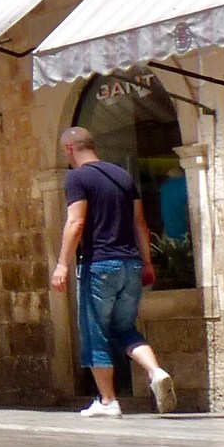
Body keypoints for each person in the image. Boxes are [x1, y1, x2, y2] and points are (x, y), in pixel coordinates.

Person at [52, 126, 176, 417]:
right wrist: (146, 263)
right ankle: (156, 371)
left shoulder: (77, 178)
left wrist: (62, 263)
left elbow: (76, 222)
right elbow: (140, 224)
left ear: (70, 149)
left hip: (99, 265)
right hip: (130, 263)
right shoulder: (123, 176)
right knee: (125, 329)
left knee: (95, 331)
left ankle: (108, 401)